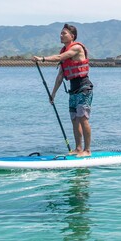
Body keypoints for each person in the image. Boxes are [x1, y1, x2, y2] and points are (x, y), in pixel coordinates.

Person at [34, 24, 94, 157]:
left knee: (83, 118)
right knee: (74, 119)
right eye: (61, 33)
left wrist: (42, 59)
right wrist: (53, 93)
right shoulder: (63, 51)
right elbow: (61, 75)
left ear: (72, 36)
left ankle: (87, 150)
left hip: (84, 88)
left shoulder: (76, 48)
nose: (61, 35)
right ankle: (78, 149)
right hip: (73, 90)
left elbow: (59, 58)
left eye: (64, 33)